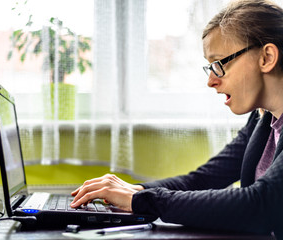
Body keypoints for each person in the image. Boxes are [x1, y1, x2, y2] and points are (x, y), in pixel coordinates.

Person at [70, 0, 283, 238]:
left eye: (219, 64)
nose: (211, 80)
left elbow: (262, 204)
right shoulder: (262, 119)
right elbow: (204, 179)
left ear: (267, 57)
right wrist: (135, 191)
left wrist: (143, 200)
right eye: (209, 67)